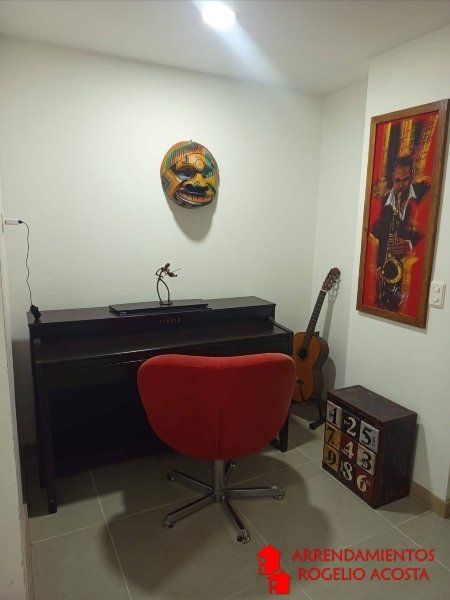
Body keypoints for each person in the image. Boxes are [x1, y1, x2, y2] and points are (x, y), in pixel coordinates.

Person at [371, 155, 427, 310]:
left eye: (405, 180)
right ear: (392, 177)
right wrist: (379, 266)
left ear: (412, 174)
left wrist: (408, 245)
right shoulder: (384, 202)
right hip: (388, 267)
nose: (401, 185)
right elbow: (381, 236)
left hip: (411, 270)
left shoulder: (423, 196)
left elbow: (426, 233)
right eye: (397, 180)